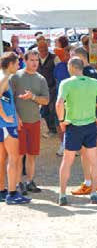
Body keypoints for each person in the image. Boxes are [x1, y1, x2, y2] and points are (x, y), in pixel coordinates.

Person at [56, 57, 97, 206]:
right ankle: (94, 192)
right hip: (90, 125)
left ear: (70, 67)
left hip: (73, 126)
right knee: (94, 160)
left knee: (67, 161)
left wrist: (61, 120)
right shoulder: (94, 82)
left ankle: (62, 194)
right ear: (82, 67)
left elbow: (59, 103)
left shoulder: (66, 83)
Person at [69, 47, 97, 194]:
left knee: (87, 151)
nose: (70, 61)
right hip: (90, 114)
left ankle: (90, 182)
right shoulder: (93, 71)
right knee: (94, 149)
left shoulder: (85, 73)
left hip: (84, 116)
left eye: (72, 57)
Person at [10, 50, 50, 194]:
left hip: (34, 121)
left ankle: (30, 181)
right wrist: (16, 117)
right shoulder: (16, 77)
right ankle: (19, 182)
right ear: (25, 61)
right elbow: (9, 99)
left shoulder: (41, 79)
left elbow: (46, 100)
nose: (34, 63)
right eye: (32, 60)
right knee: (19, 155)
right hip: (19, 123)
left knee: (32, 154)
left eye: (37, 60)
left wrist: (32, 96)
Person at [0, 52, 31, 205]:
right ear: (10, 64)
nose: (19, 66)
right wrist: (6, 117)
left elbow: (4, 100)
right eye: (17, 63)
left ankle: (2, 191)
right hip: (6, 125)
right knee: (15, 158)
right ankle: (12, 194)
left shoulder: (3, 76)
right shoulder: (5, 78)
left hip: (4, 125)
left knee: (2, 159)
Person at [37, 40, 59, 136]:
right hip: (41, 89)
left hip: (52, 87)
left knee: (52, 109)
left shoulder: (54, 58)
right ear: (38, 49)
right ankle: (51, 128)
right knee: (44, 110)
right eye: (41, 48)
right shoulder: (35, 58)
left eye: (45, 48)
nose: (43, 50)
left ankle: (54, 129)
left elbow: (59, 71)